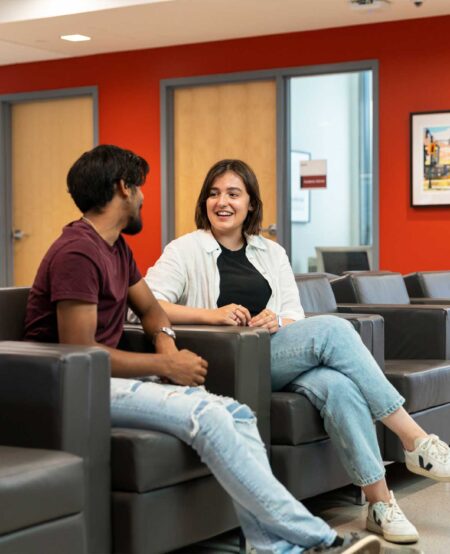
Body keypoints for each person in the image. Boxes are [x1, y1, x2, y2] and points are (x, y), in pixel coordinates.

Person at [23, 144, 393, 554]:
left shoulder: (114, 248)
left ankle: (272, 547)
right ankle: (320, 541)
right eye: (141, 187)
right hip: (75, 388)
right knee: (209, 414)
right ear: (123, 189)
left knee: (238, 413)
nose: (145, 196)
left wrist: (166, 345)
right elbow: (81, 355)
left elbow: (150, 309)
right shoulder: (77, 252)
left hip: (106, 377)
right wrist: (166, 362)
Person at [144, 158, 450, 545]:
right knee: (334, 330)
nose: (222, 202)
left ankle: (379, 503)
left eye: (233, 194)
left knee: (338, 386)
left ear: (251, 203)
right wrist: (213, 316)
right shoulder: (185, 249)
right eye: (214, 193)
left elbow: (293, 314)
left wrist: (276, 322)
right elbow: (149, 304)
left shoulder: (270, 252)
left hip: (274, 351)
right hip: (229, 361)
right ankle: (414, 440)